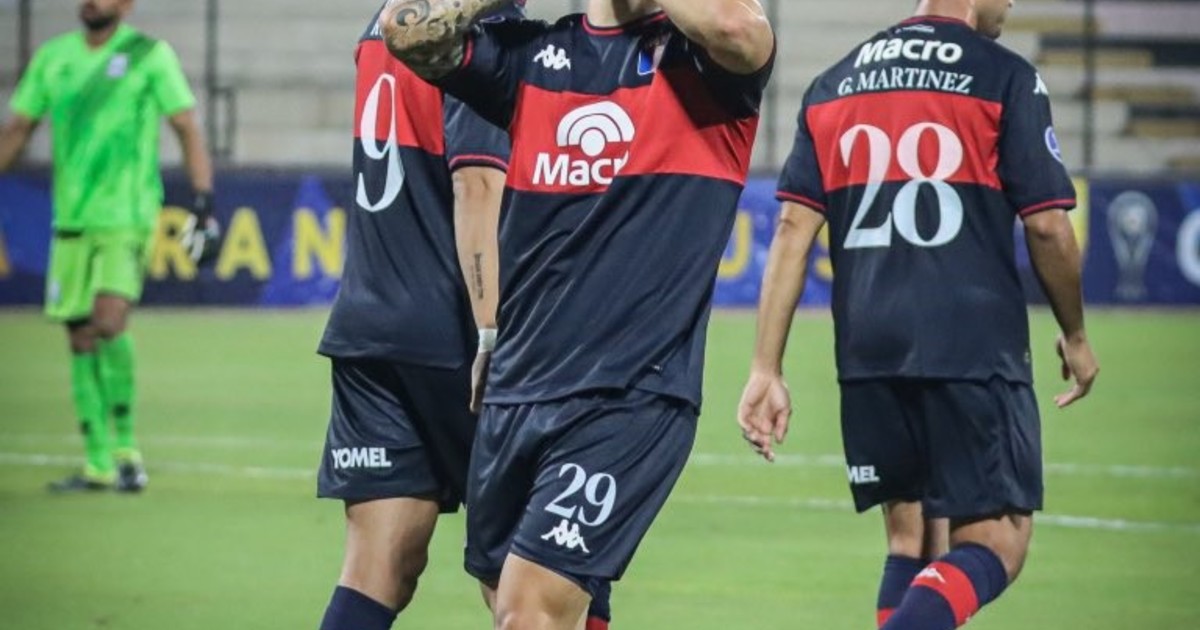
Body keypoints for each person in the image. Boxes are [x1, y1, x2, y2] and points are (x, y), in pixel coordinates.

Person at [381, 1, 775, 628]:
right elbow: (404, 32)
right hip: (517, 384)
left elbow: (739, 30)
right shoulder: (531, 57)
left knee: (527, 611)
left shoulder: (705, 65)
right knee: (509, 594)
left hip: (628, 392)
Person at [738, 0, 1100, 628]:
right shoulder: (1003, 76)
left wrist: (765, 367)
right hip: (969, 342)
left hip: (869, 350)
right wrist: (1075, 332)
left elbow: (794, 227)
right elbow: (1047, 226)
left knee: (913, 542)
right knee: (996, 543)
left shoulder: (835, 82)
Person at [315, 4, 613, 629]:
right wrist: (491, 333)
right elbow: (477, 185)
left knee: (378, 568)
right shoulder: (477, 29)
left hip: (371, 326)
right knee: (547, 570)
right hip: (454, 337)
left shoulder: (389, 20)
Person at [0, 0, 217, 493]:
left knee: (109, 320)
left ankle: (126, 452)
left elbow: (185, 124)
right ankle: (97, 462)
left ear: (127, 4)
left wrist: (204, 202)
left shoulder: (148, 54)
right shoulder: (53, 58)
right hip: (71, 218)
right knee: (78, 334)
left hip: (126, 215)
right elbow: (17, 129)